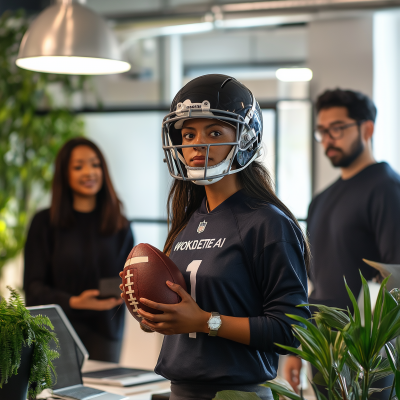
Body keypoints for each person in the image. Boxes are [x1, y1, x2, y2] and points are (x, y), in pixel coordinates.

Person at [120, 74, 310, 400]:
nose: (197, 144)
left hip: (238, 393)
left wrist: (207, 322)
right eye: (189, 133)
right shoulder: (187, 222)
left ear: (246, 139)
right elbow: (183, 314)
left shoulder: (267, 223)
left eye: (215, 132)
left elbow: (292, 330)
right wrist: (152, 314)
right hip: (179, 391)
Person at [283, 89, 400, 395]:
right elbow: (316, 283)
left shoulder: (387, 189)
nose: (328, 138)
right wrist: (299, 346)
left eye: (337, 128)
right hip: (322, 347)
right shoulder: (321, 200)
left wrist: (360, 339)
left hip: (369, 353)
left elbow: (395, 276)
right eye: (322, 131)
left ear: (367, 128)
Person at [24, 137, 133, 362]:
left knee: (103, 397)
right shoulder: (44, 223)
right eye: (78, 166)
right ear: (64, 173)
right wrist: (75, 301)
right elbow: (33, 288)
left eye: (95, 164)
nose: (89, 172)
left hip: (106, 330)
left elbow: (130, 278)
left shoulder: (119, 224)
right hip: (55, 330)